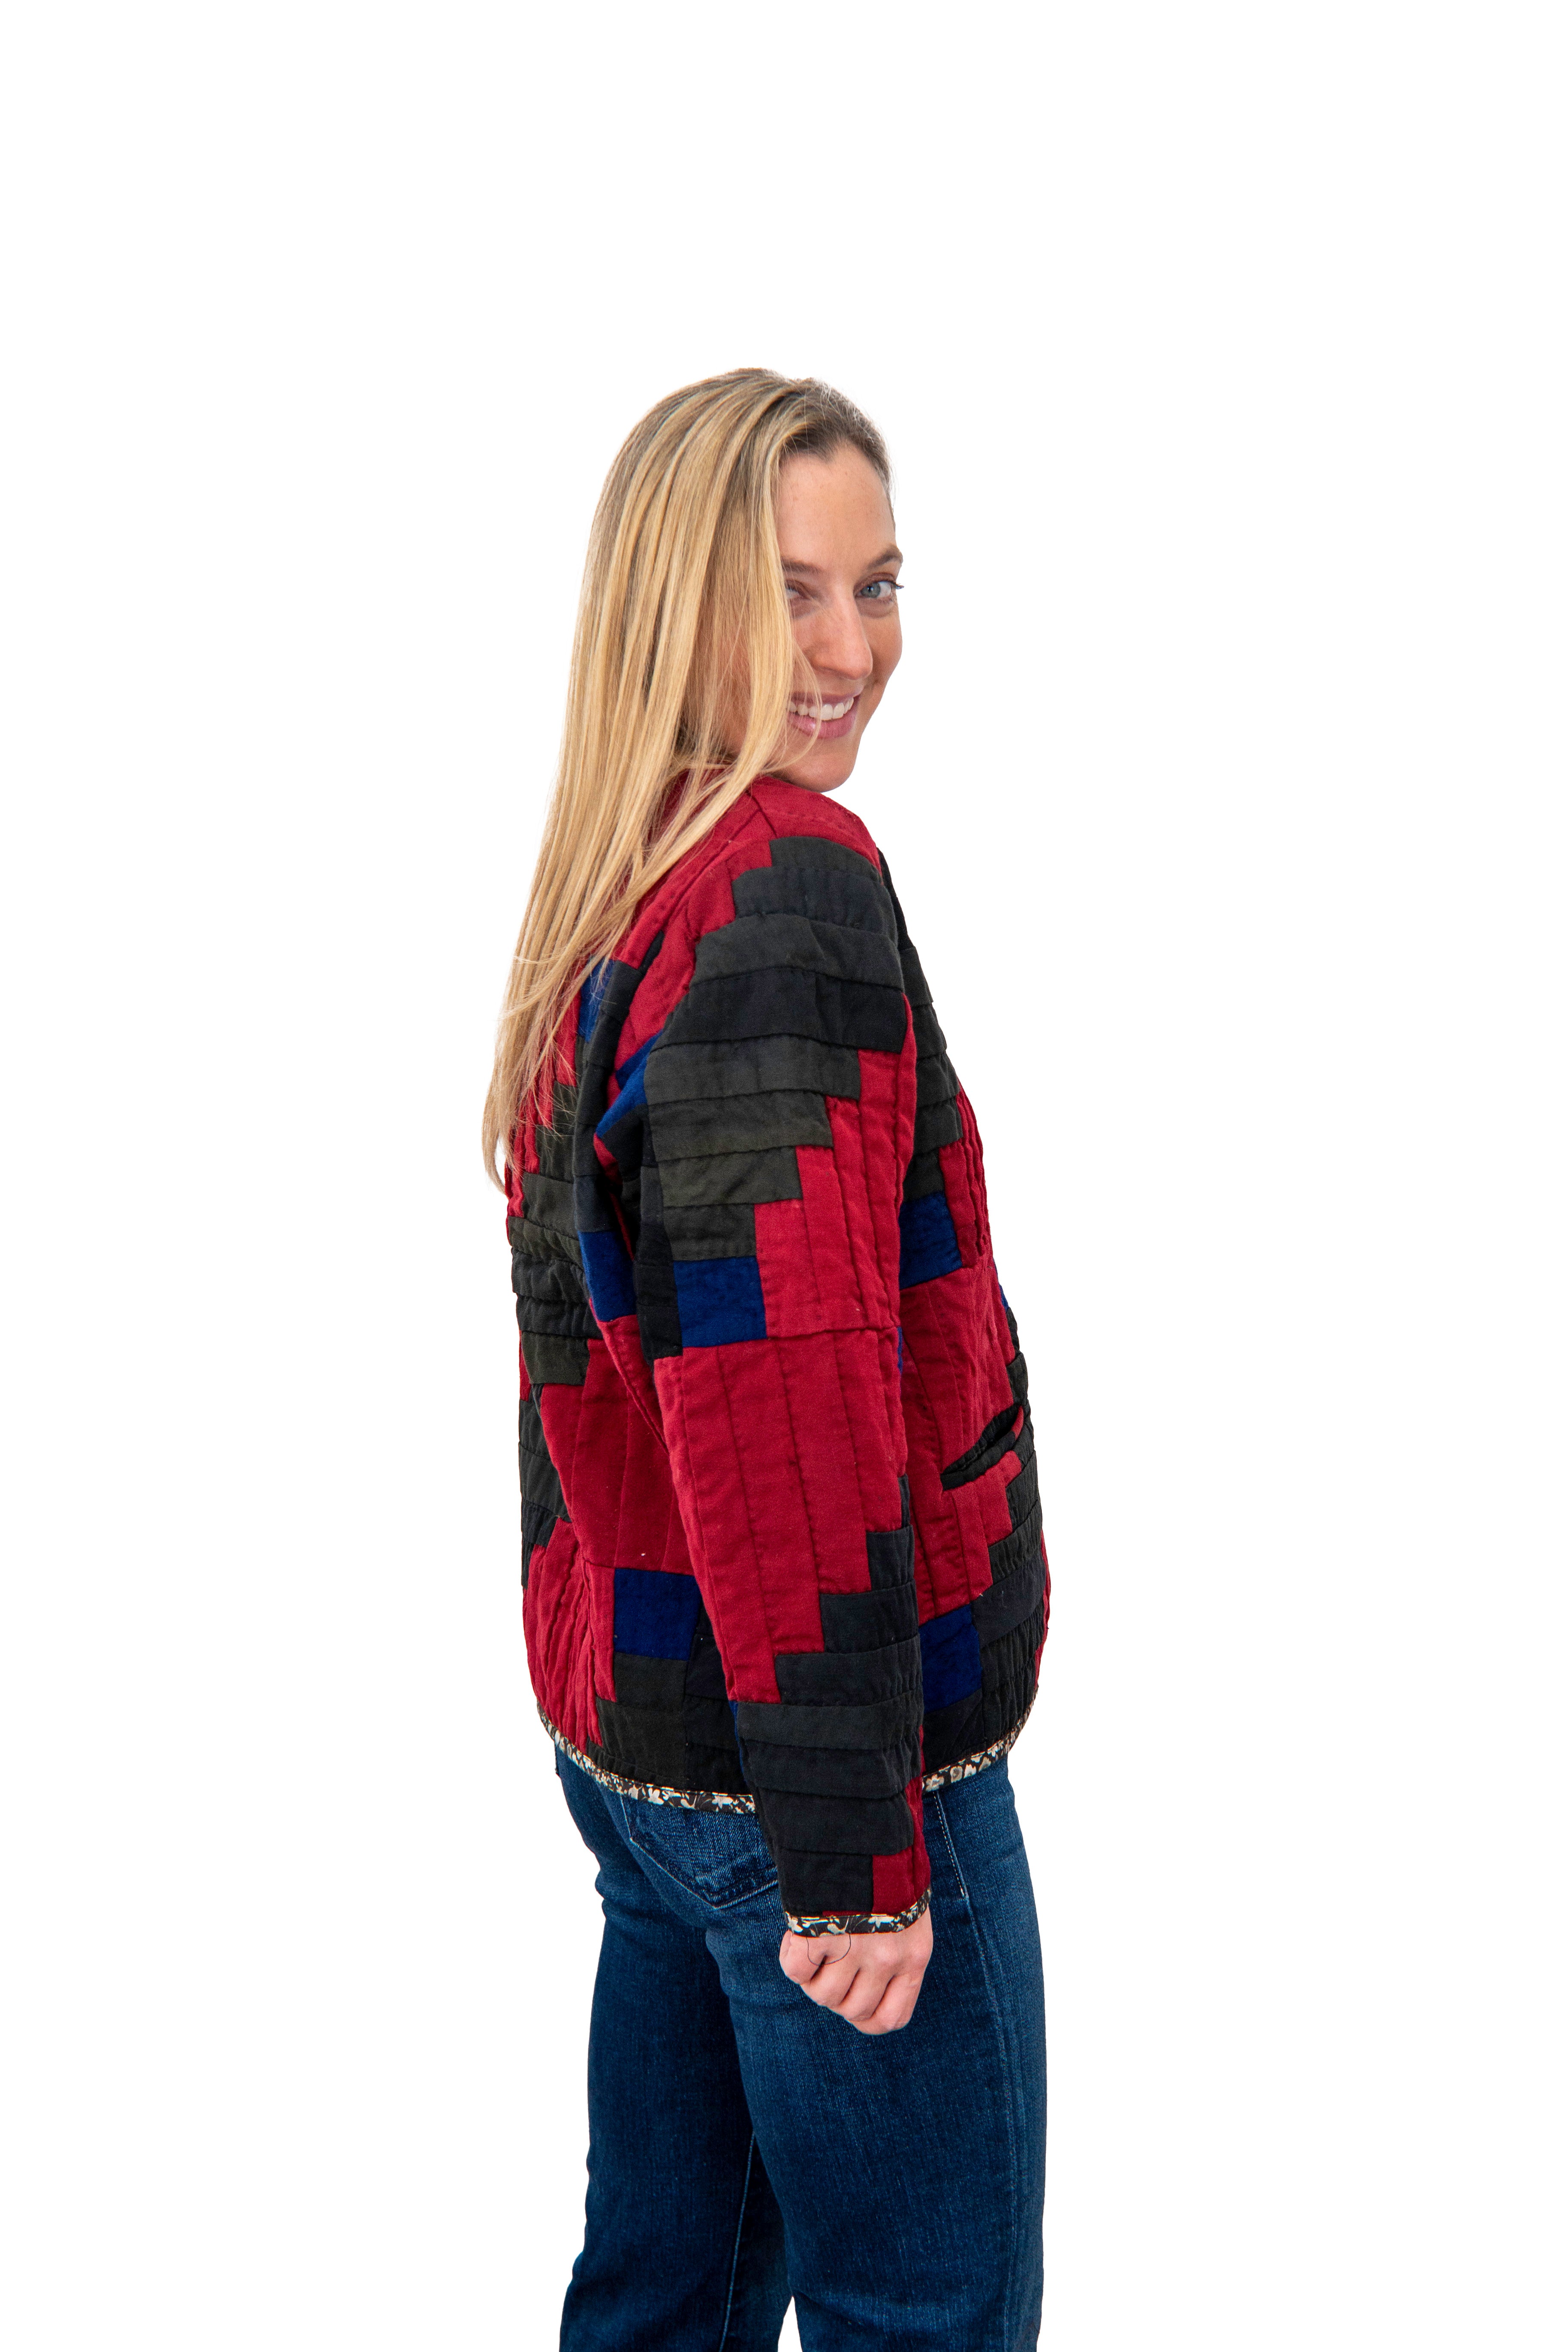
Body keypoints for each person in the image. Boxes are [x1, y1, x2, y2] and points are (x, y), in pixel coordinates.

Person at [483, 369, 1049, 2352]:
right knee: (927, 2319)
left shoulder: (629, 879)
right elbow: (779, 1397)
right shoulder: (782, 894)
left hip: (654, 1753)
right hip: (817, 1785)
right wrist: (860, 1861)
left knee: (664, 2304)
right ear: (679, 607)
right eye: (791, 590)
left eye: (877, 584)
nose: (852, 649)